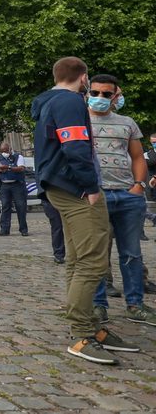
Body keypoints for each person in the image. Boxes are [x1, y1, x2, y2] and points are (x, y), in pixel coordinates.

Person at [31, 57, 137, 364]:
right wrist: (90, 187)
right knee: (93, 260)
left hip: (59, 185)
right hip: (75, 187)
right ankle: (81, 333)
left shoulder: (49, 102)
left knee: (78, 258)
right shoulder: (69, 103)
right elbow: (75, 147)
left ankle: (90, 325)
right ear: (84, 78)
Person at [85, 75, 156, 327]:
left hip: (127, 195)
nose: (101, 98)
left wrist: (138, 186)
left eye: (107, 94)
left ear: (115, 96)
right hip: (95, 196)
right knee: (95, 255)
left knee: (132, 253)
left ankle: (135, 305)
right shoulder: (79, 122)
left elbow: (137, 156)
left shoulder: (127, 123)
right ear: (87, 92)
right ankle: (97, 306)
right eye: (96, 92)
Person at [0, 143, 29, 237]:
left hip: (17, 184)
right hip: (5, 185)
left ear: (10, 149)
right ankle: (4, 229)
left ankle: (23, 229)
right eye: (2, 151)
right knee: (5, 206)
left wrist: (9, 167)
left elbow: (21, 168)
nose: (4, 153)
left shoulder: (18, 157)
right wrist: (1, 170)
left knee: (21, 207)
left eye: (5, 151)